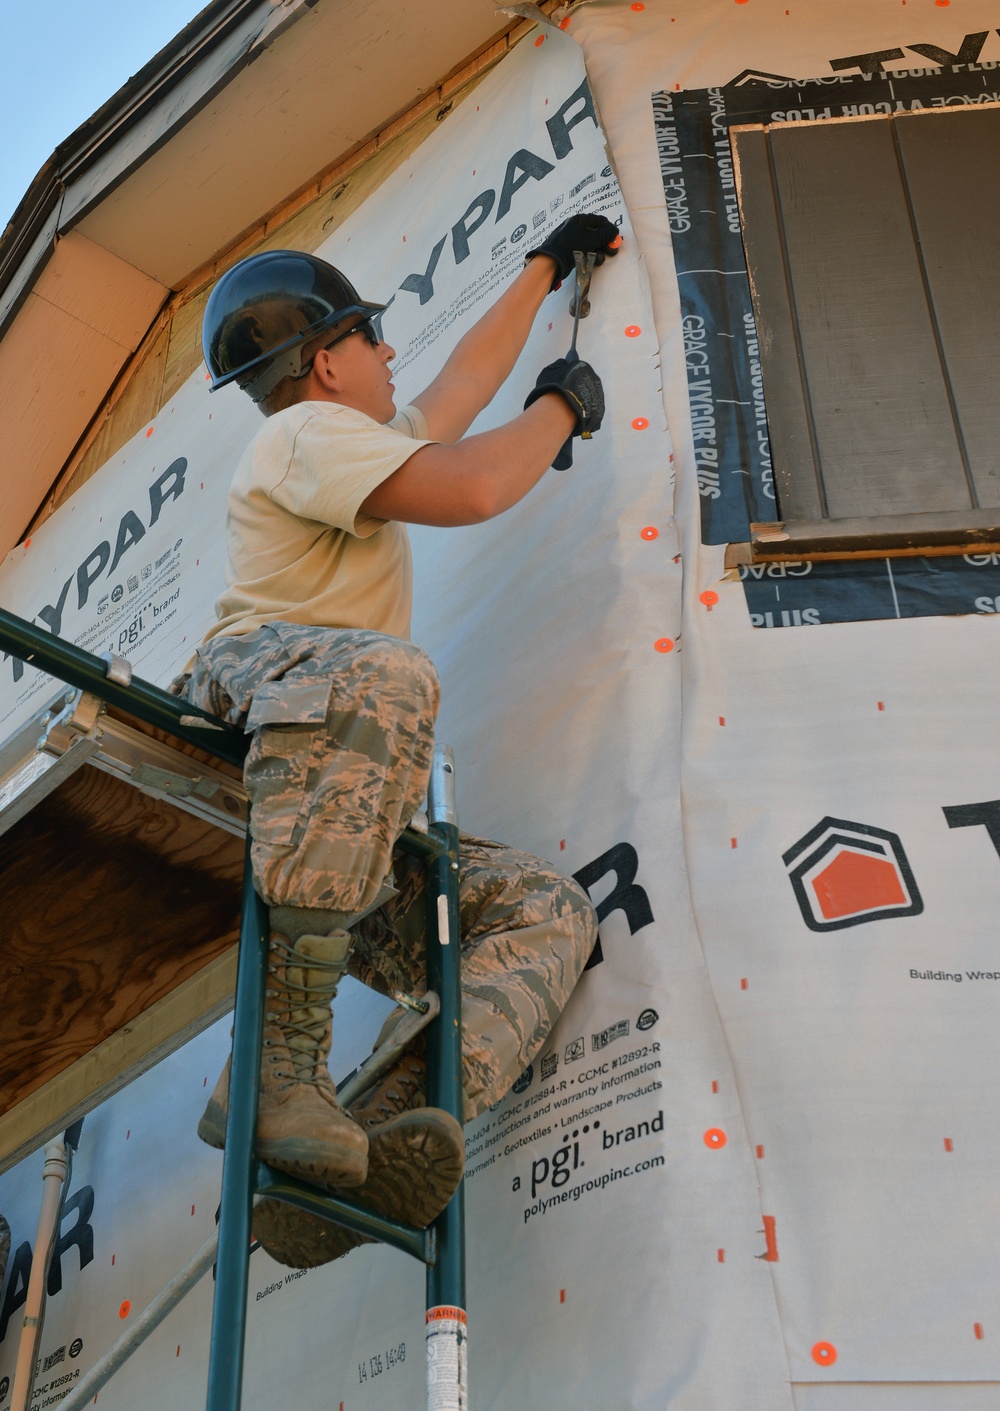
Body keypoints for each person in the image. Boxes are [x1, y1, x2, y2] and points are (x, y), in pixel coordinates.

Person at [175, 212, 618, 1267]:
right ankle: (278, 1067)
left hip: (330, 813)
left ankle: (369, 1126)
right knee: (388, 674)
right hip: (257, 716)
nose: (391, 358)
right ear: (325, 362)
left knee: (539, 914)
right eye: (374, 342)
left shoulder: (347, 438)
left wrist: (542, 268)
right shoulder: (301, 435)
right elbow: (471, 483)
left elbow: (459, 392)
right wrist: (561, 411)